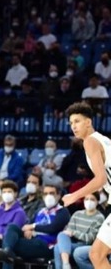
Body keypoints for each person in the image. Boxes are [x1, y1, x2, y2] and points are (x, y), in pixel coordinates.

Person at [62, 102, 111, 269]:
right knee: (97, 254)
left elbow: (100, 179)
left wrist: (73, 196)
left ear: (88, 122)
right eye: (71, 123)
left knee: (96, 254)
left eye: (77, 121)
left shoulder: (90, 141)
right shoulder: (104, 140)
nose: (73, 126)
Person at [53, 192, 105, 269]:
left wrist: (74, 233)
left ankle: (65, 266)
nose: (89, 201)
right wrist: (71, 233)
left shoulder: (99, 218)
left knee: (58, 247)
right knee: (61, 236)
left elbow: (90, 238)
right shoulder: (77, 214)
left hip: (86, 245)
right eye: (86, 199)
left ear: (97, 202)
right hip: (74, 243)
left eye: (92, 199)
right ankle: (66, 264)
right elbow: (68, 231)